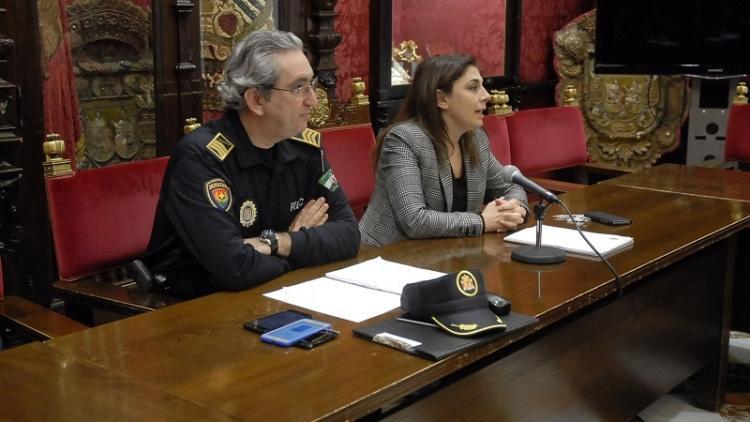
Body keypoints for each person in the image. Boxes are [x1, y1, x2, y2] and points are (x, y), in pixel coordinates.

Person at [140, 30, 360, 298]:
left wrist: (276, 242)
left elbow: (349, 236)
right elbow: (235, 267)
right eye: (298, 87)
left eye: (311, 85)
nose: (312, 100)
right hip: (195, 308)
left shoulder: (305, 148)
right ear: (256, 100)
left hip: (278, 293)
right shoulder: (201, 158)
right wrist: (305, 248)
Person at [359, 54, 528, 247]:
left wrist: (514, 210)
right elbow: (414, 221)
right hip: (385, 259)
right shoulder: (403, 140)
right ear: (441, 99)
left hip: (445, 254)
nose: (486, 95)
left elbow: (510, 187)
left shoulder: (475, 139)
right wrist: (482, 221)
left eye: (482, 85)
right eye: (473, 88)